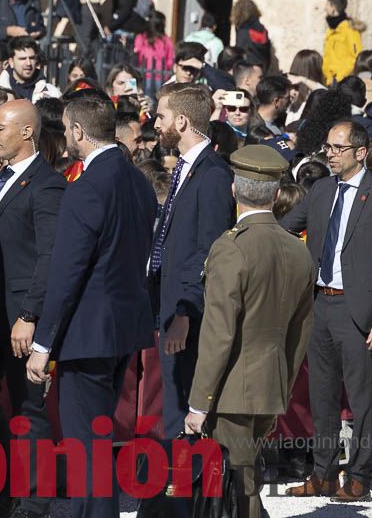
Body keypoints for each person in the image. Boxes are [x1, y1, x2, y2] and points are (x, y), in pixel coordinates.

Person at [25, 91, 157, 518]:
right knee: (96, 439)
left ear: (79, 132)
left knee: (87, 445)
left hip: (87, 332)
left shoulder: (85, 189)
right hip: (122, 327)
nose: (66, 136)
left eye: (67, 129)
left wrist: (43, 344)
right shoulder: (139, 181)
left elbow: (67, 273)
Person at [184, 145, 315, 518]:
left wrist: (199, 402)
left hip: (231, 391)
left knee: (238, 488)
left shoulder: (231, 248)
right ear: (276, 194)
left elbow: (219, 334)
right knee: (244, 478)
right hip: (269, 385)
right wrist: (283, 386)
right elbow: (300, 333)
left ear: (234, 190)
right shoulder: (298, 250)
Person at [281, 120, 372, 500]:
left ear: (360, 152)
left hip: (359, 312)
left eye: (338, 148)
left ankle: (359, 476)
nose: (330, 154)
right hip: (319, 304)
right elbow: (285, 228)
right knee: (322, 397)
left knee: (361, 399)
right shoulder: (321, 190)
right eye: (328, 147)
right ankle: (322, 473)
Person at [0, 100, 64, 518]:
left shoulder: (48, 184)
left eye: (0, 127)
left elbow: (49, 255)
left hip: (19, 317)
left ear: (26, 132)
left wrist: (30, 315)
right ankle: (3, 487)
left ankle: (35, 502)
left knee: (28, 407)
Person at [149, 83, 235, 438]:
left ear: (182, 121)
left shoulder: (213, 174)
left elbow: (209, 249)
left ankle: (187, 471)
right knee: (174, 405)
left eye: (161, 117)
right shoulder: (186, 166)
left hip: (190, 314)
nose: (156, 124)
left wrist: (185, 311)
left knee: (186, 410)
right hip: (170, 302)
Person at [0, 37, 59, 101]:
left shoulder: (52, 93)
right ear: (11, 62)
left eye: (32, 58)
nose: (28, 63)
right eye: (23, 59)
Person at [322, 0, 363, 84]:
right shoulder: (331, 29)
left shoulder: (350, 30)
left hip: (341, 81)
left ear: (333, 7)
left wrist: (340, 77)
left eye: (327, 5)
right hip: (329, 81)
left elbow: (356, 56)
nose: (325, 8)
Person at [133, 10, 173, 95]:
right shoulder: (166, 40)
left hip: (145, 75)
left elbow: (136, 55)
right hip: (161, 76)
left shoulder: (141, 37)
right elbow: (170, 60)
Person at [231, 0, 272, 71]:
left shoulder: (244, 32)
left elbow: (239, 55)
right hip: (262, 70)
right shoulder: (261, 29)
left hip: (248, 71)